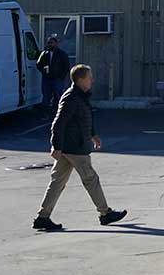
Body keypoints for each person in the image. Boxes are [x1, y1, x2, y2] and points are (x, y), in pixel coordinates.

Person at [32, 64, 126, 232]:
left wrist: (93, 134)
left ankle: (42, 217)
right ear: (81, 79)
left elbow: (82, 118)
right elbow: (58, 123)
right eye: (90, 77)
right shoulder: (71, 97)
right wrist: (56, 146)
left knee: (57, 182)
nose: (92, 80)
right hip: (74, 146)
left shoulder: (80, 96)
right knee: (91, 179)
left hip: (72, 145)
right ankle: (105, 213)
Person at [35, 35, 71, 113]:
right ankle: (46, 114)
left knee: (58, 97)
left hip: (57, 79)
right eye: (48, 43)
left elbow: (66, 67)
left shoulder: (62, 54)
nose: (49, 44)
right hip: (46, 79)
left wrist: (62, 77)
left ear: (56, 43)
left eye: (51, 43)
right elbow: (38, 64)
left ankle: (58, 113)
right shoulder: (44, 53)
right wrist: (42, 70)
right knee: (46, 97)